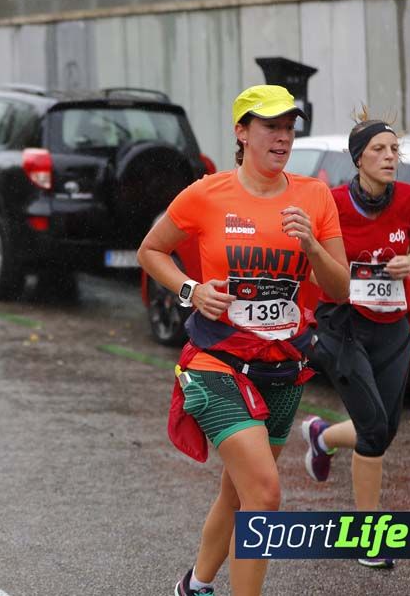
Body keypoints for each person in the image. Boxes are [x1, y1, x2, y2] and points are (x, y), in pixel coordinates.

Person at [137, 84, 350, 596]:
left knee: (239, 494)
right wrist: (191, 289)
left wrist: (311, 246)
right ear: (241, 131)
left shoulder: (314, 196)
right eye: (270, 127)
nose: (282, 138)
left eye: (288, 127)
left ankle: (196, 585)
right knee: (265, 494)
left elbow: (339, 287)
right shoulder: (208, 194)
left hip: (281, 367)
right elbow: (151, 251)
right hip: (216, 362)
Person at [299, 112, 410, 570]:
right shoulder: (331, 202)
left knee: (385, 429)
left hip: (393, 326)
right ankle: (368, 539)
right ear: (358, 158)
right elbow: (315, 269)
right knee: (373, 431)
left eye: (395, 150)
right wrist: (344, 272)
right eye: (380, 150)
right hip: (344, 324)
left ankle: (322, 435)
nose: (391, 157)